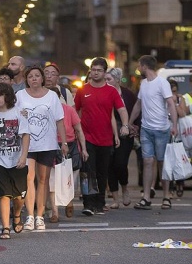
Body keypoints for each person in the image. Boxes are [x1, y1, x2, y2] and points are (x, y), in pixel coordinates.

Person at [75, 57, 130, 215]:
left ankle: (99, 202)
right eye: (93, 70)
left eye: (99, 70)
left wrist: (125, 126)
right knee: (87, 171)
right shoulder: (82, 90)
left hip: (105, 139)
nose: (96, 73)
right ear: (90, 71)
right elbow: (76, 111)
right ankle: (88, 203)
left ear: (104, 72)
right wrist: (76, 130)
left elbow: (122, 110)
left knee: (101, 172)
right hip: (87, 138)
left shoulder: (111, 91)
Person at [16, 66, 68, 230]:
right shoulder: (20, 95)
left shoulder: (52, 96)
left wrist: (64, 142)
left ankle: (40, 215)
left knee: (44, 180)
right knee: (29, 178)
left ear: (42, 78)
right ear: (27, 79)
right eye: (30, 76)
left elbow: (60, 120)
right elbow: (14, 115)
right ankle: (30, 216)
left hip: (47, 144)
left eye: (37, 76)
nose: (34, 79)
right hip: (27, 144)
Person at [129, 55, 177, 210]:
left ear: (144, 66)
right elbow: (138, 104)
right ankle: (146, 197)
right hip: (146, 129)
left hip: (162, 129)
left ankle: (166, 196)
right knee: (147, 162)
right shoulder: (143, 84)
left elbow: (170, 103)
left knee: (162, 162)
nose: (138, 68)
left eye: (139, 65)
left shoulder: (162, 83)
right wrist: (130, 122)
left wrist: (174, 125)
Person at [0, 82, 30, 239]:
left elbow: (25, 135)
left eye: (0, 95)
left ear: (8, 96)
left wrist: (24, 156)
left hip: (17, 160)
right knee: (4, 195)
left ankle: (16, 214)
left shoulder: (18, 113)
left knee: (19, 197)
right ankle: (5, 228)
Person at [47, 87, 88, 221]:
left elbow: (79, 130)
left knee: (69, 179)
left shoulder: (69, 110)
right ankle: (55, 212)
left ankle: (69, 201)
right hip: (51, 146)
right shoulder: (43, 110)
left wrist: (84, 149)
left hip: (70, 145)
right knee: (52, 181)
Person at [105, 67, 139, 208]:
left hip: (125, 134)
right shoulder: (104, 93)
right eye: (105, 79)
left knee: (120, 163)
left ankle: (124, 188)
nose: (106, 82)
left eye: (109, 79)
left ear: (118, 80)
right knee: (109, 165)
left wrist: (134, 126)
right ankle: (115, 198)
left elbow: (137, 110)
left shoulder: (128, 94)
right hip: (107, 133)